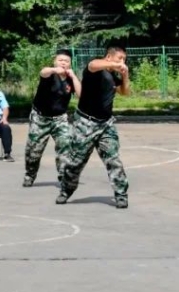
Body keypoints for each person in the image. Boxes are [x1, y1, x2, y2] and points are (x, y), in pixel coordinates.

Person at [57, 46, 130, 208]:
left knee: (113, 159)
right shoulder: (96, 68)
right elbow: (93, 65)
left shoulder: (113, 76)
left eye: (124, 59)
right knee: (76, 161)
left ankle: (121, 195)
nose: (122, 62)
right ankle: (65, 191)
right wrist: (116, 65)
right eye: (119, 58)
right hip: (85, 122)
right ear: (109, 57)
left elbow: (124, 92)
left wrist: (125, 76)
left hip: (106, 124)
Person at [23, 50, 81, 188]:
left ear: (70, 63)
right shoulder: (50, 74)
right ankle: (30, 175)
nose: (63, 63)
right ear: (55, 61)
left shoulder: (70, 78)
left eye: (66, 61)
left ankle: (63, 177)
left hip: (60, 118)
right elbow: (43, 72)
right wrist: (55, 70)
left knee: (65, 146)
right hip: (40, 118)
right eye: (60, 60)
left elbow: (81, 95)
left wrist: (74, 77)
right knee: (34, 151)